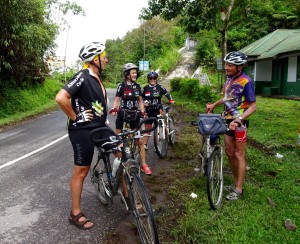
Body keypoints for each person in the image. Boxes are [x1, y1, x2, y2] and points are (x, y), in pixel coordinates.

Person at [56, 42, 110, 230]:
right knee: (81, 171)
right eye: (103, 56)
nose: (106, 59)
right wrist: (75, 116)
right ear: (94, 60)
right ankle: (75, 213)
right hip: (82, 131)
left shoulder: (97, 77)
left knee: (122, 153)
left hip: (99, 127)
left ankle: (132, 197)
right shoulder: (83, 75)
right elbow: (61, 97)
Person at [206, 51, 256, 201]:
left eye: (230, 65)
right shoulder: (228, 79)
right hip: (228, 120)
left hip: (240, 123)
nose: (226, 67)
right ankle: (235, 183)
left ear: (239, 67)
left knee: (238, 154)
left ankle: (239, 189)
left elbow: (253, 106)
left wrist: (239, 119)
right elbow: (228, 98)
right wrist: (214, 104)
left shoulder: (246, 81)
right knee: (229, 151)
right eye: (226, 64)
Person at [109, 63, 152, 175]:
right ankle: (118, 165)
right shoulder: (121, 86)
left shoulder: (138, 86)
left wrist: (143, 112)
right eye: (133, 72)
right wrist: (114, 108)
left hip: (134, 115)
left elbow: (140, 101)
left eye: (135, 72)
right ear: (127, 74)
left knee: (139, 141)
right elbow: (117, 99)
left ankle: (143, 164)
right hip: (122, 115)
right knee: (118, 141)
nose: (135, 74)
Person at [142, 71, 175, 150]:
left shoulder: (160, 87)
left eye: (154, 78)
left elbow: (167, 94)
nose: (152, 80)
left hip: (158, 109)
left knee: (159, 126)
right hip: (149, 110)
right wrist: (144, 102)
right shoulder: (145, 88)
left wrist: (171, 100)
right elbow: (140, 98)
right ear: (148, 79)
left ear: (156, 79)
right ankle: (145, 144)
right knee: (148, 128)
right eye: (150, 78)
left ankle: (159, 143)